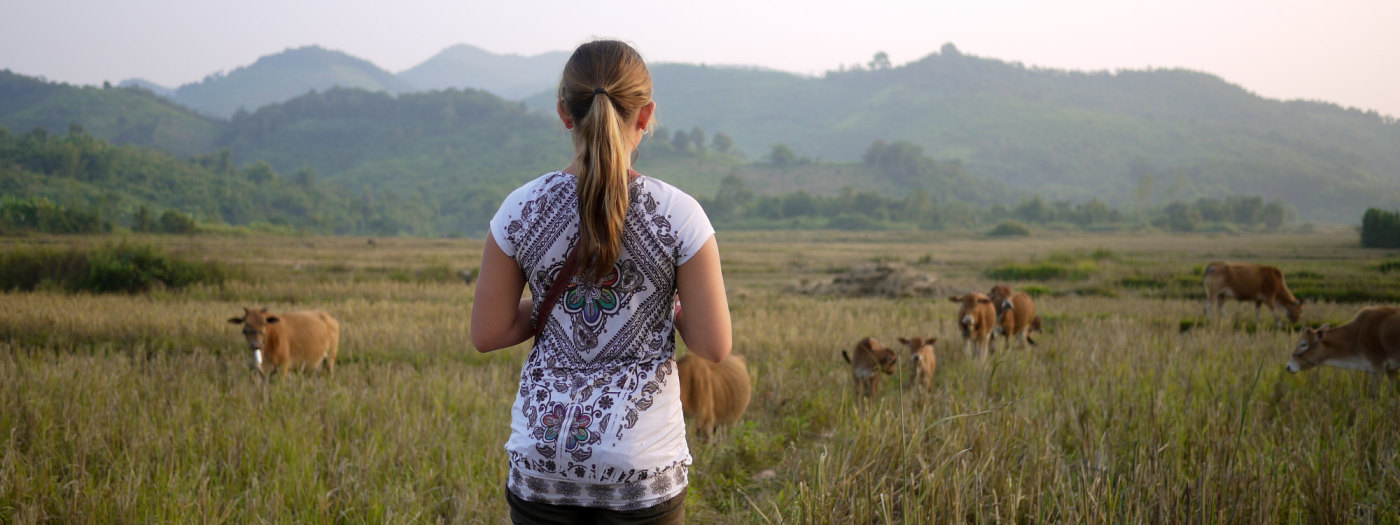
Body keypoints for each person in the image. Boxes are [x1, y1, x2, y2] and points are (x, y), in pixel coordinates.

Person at [470, 39, 732, 524]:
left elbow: (488, 333)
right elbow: (714, 346)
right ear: (647, 115)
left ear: (565, 114)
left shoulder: (518, 210)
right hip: (641, 469)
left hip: (543, 462)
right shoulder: (680, 215)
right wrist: (661, 308)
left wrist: (555, 301)